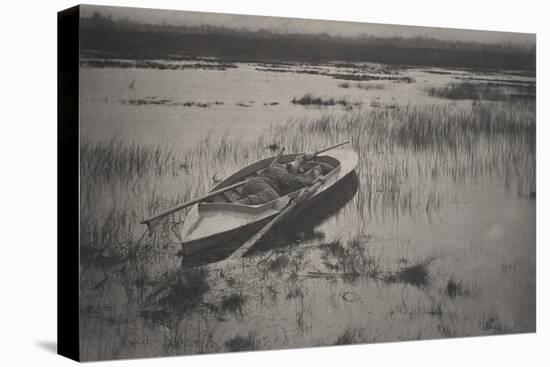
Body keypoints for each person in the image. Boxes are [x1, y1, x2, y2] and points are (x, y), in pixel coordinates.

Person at [236, 154, 331, 205]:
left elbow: (294, 185)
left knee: (275, 199)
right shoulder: (279, 168)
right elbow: (291, 181)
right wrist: (312, 181)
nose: (298, 170)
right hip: (255, 185)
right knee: (273, 196)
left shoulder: (289, 174)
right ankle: (238, 205)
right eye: (297, 166)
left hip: (259, 192)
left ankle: (246, 205)